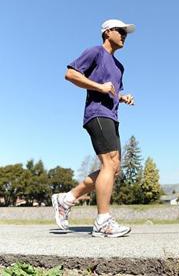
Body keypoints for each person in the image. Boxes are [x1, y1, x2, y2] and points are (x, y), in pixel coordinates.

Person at [51, 19, 135, 238]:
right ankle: (102, 221)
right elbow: (70, 74)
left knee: (114, 168)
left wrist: (121, 96)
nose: (124, 35)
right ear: (107, 32)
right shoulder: (95, 52)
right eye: (121, 31)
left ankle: (67, 199)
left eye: (126, 32)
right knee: (109, 162)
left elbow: (112, 90)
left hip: (112, 116)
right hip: (96, 114)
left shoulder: (119, 66)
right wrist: (99, 86)